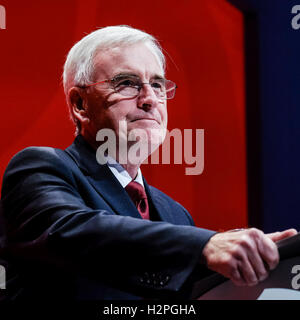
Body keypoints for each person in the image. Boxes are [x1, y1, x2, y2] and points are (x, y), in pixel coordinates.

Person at [0, 25, 296, 300]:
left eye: (157, 84)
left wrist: (253, 255)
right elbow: (72, 234)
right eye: (127, 83)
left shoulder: (175, 214)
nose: (149, 98)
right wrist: (205, 245)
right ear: (80, 104)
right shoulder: (40, 168)